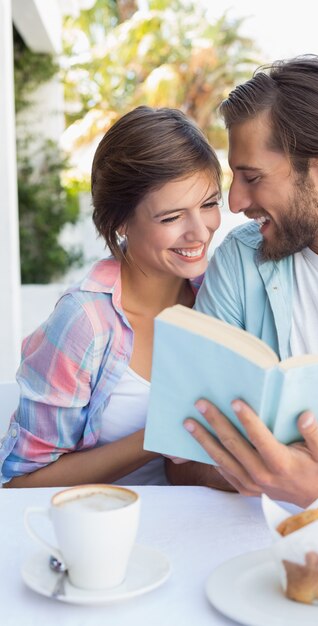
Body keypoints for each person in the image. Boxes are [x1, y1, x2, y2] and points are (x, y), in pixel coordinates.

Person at [166, 55, 318, 506]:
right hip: (271, 531)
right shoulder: (240, 264)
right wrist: (269, 473)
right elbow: (184, 457)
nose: (236, 201)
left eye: (252, 177)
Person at [1, 106, 222, 488]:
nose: (200, 232)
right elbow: (20, 484)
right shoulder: (84, 323)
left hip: (203, 527)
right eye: (171, 218)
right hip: (107, 534)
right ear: (120, 222)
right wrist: (160, 435)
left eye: (209, 204)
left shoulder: (219, 294)